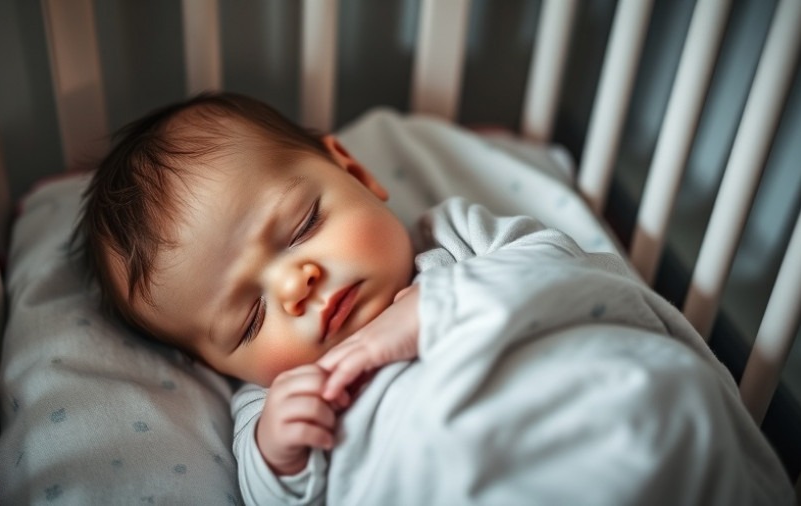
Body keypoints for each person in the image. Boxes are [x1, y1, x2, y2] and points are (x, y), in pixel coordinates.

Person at [77, 92, 794, 505]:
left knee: (669, 411)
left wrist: (434, 311)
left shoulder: (456, 241)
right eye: (248, 317)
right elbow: (274, 494)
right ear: (218, 364)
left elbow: (578, 276)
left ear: (353, 170)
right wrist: (278, 457)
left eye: (299, 227)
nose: (293, 286)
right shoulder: (276, 397)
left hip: (607, 417)